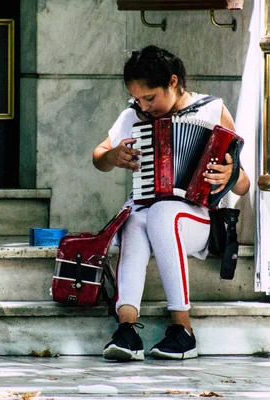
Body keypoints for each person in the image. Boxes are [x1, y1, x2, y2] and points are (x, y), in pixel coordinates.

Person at [92, 45, 250, 361]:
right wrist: (112, 156)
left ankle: (183, 329)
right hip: (151, 218)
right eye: (137, 99)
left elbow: (244, 184)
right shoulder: (131, 117)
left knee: (163, 211)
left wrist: (230, 174)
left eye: (150, 98)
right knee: (136, 217)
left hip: (198, 219)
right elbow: (99, 158)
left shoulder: (212, 109)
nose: (144, 106)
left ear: (173, 82)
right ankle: (127, 328)